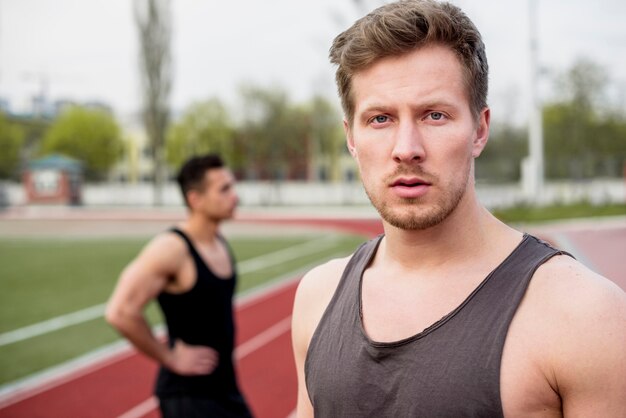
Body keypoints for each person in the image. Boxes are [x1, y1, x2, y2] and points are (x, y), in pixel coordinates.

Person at [291, 1, 626, 417]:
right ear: (351, 138)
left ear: (480, 130)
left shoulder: (585, 315)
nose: (406, 149)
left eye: (434, 115)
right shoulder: (317, 297)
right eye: (380, 119)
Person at [106, 154, 253, 418]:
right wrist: (169, 357)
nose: (235, 196)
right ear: (195, 199)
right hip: (189, 396)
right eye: (224, 189)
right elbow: (119, 311)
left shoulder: (217, 241)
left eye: (232, 186)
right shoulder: (172, 248)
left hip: (225, 388)